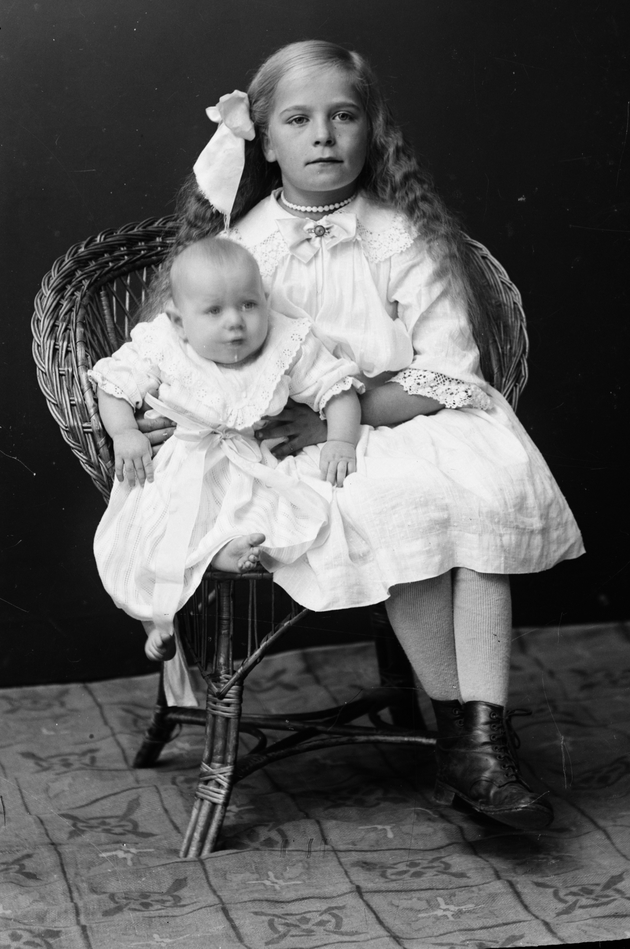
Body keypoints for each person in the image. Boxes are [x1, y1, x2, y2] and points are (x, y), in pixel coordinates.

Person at [139, 40, 585, 831]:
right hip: (294, 439)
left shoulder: (400, 234)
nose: (323, 135)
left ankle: (479, 741)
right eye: (298, 120)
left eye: (343, 116)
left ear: (369, 130)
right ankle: (467, 741)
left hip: (407, 414)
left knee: (482, 494)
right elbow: (185, 353)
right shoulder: (243, 249)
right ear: (264, 142)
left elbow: (447, 365)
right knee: (399, 503)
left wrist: (345, 412)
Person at [90, 236, 363, 682]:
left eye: (249, 305)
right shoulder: (163, 342)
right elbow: (114, 385)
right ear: (179, 321)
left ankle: (226, 550)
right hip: (182, 460)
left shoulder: (285, 341)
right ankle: (155, 622)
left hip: (252, 459)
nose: (236, 322)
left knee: (263, 508)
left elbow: (338, 388)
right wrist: (125, 433)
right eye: (214, 311)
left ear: (265, 300)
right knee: (148, 528)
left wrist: (342, 441)